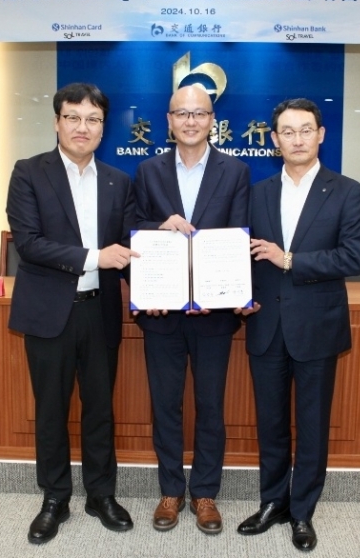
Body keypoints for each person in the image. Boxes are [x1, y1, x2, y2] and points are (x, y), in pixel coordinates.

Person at [6, 82, 138, 544]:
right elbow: (29, 244)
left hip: (99, 312)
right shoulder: (29, 173)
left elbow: (129, 251)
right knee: (51, 410)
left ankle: (101, 494)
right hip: (48, 314)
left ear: (104, 127)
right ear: (57, 121)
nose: (83, 127)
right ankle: (54, 498)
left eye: (94, 119)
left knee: (100, 409)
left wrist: (166, 284)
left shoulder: (118, 182)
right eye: (74, 117)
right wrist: (93, 257)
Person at [237, 98, 360, 552]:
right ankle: (273, 501)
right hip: (266, 325)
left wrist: (289, 259)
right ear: (274, 140)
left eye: (305, 130)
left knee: (311, 425)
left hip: (317, 325)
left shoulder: (347, 191)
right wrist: (237, 295)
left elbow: (353, 257)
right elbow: (242, 257)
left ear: (321, 135)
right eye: (287, 132)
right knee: (271, 422)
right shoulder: (257, 192)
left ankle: (303, 512)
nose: (296, 139)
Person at [133, 85, 250, 534]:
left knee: (210, 406)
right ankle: (170, 491)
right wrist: (158, 226)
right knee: (165, 405)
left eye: (199, 113)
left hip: (213, 316)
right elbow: (134, 227)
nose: (190, 121)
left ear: (211, 120)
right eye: (181, 113)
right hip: (162, 312)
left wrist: (222, 294)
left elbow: (239, 237)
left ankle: (205, 493)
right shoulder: (147, 170)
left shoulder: (235, 170)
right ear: (168, 120)